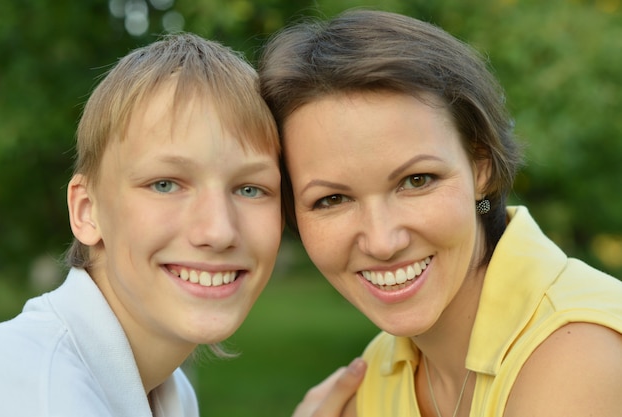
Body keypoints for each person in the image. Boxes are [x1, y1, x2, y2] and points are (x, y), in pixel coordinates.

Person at [259, 9, 622, 417]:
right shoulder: (378, 372)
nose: (382, 241)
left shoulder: (579, 350)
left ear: (481, 166)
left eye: (416, 180)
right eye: (332, 199)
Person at [0, 33, 284, 416]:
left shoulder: (171, 389)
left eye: (250, 189)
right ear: (86, 211)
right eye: (165, 184)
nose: (218, 231)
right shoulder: (34, 388)